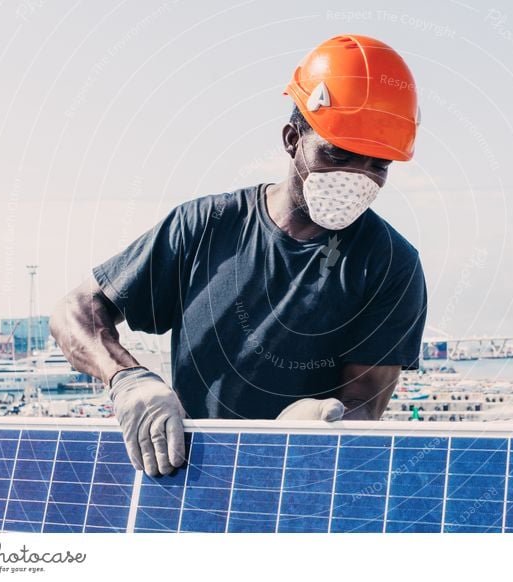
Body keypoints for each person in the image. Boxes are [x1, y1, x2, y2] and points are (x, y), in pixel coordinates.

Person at [49, 34, 428, 476]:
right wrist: (127, 379)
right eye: (338, 154)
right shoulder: (205, 226)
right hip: (186, 476)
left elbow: (365, 399)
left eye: (377, 164)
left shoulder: (389, 265)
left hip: (300, 481)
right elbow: (74, 311)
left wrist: (322, 425)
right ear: (292, 139)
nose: (356, 177)